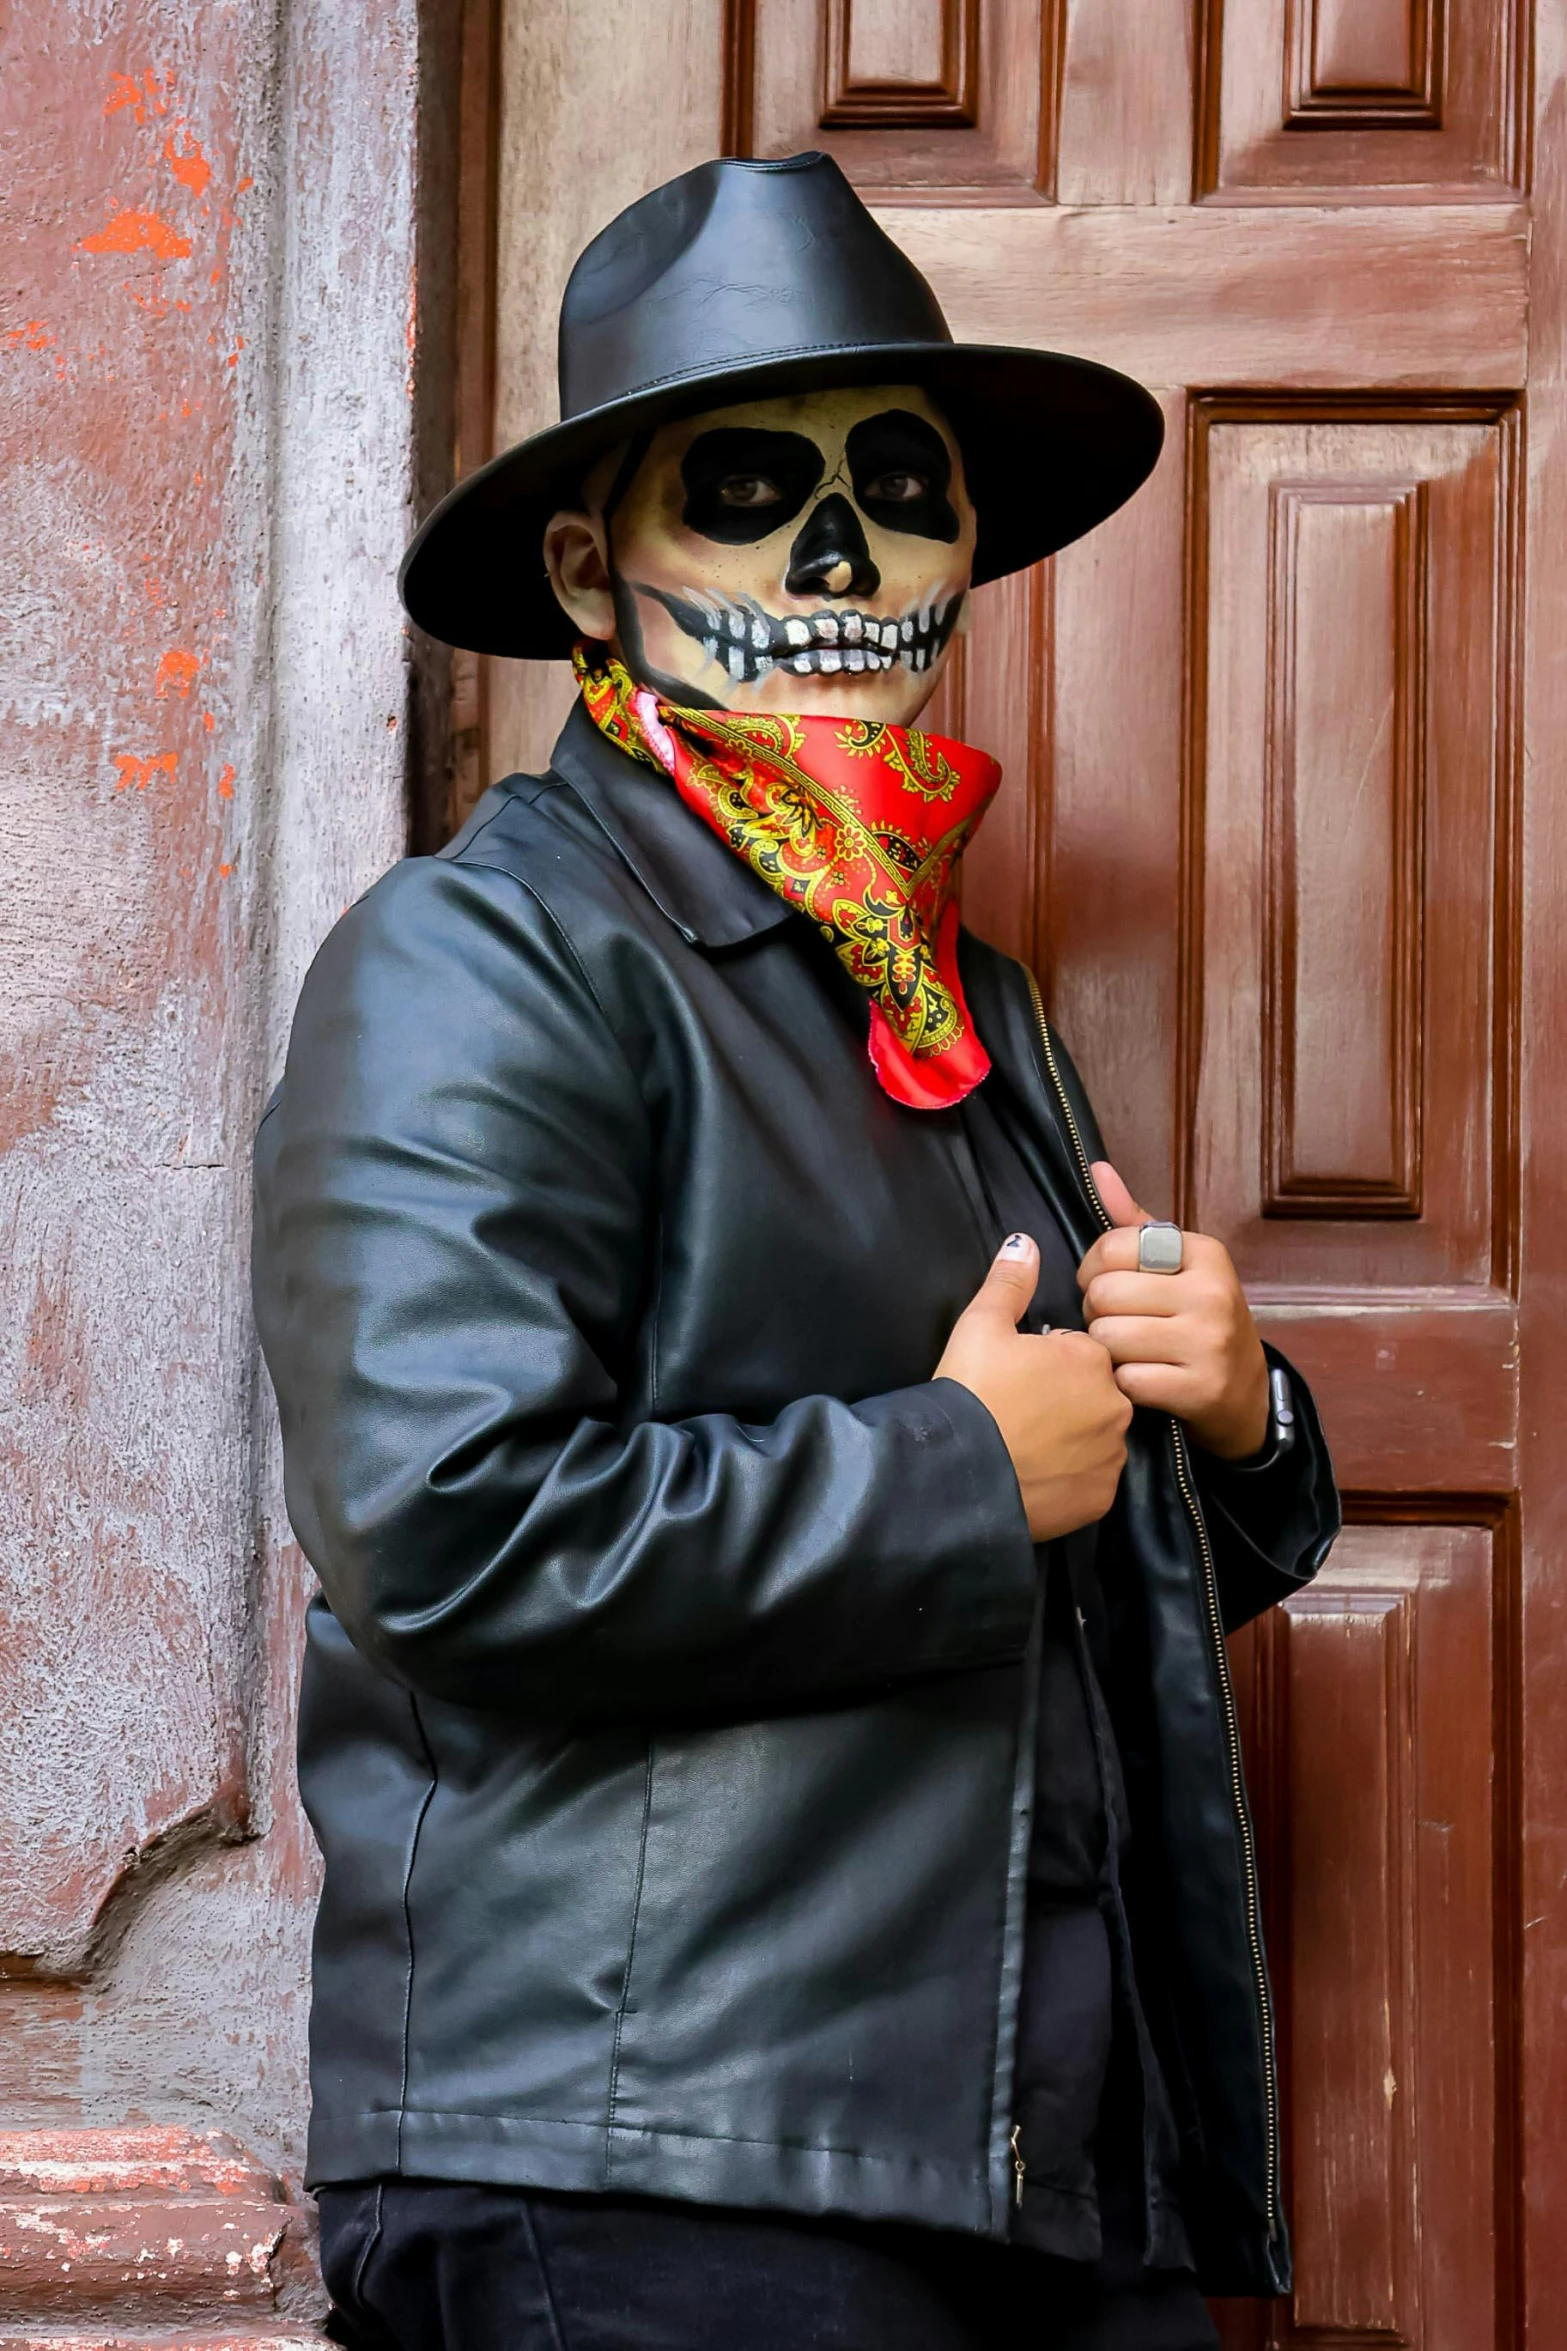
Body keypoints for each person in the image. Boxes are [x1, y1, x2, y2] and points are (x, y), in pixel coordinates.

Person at [253, 153, 1339, 2351]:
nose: (842, 562)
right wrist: (958, 1460)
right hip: (640, 2161)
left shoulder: (970, 1004)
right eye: (752, 491)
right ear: (589, 569)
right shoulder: (486, 957)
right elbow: (447, 1526)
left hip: (1023, 2160)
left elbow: (1055, 1557)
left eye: (899, 494)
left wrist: (1234, 1417)